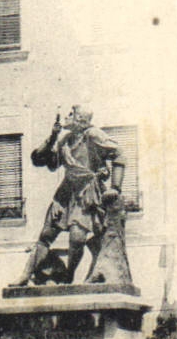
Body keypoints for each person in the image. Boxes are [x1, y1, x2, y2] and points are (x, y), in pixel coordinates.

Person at [19, 105, 126, 286]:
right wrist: (53, 136)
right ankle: (25, 275)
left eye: (71, 114)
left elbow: (119, 154)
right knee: (46, 235)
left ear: (81, 120)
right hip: (66, 193)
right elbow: (40, 161)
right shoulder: (65, 140)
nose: (67, 117)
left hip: (88, 193)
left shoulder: (93, 135)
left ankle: (69, 277)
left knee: (77, 238)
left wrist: (115, 187)